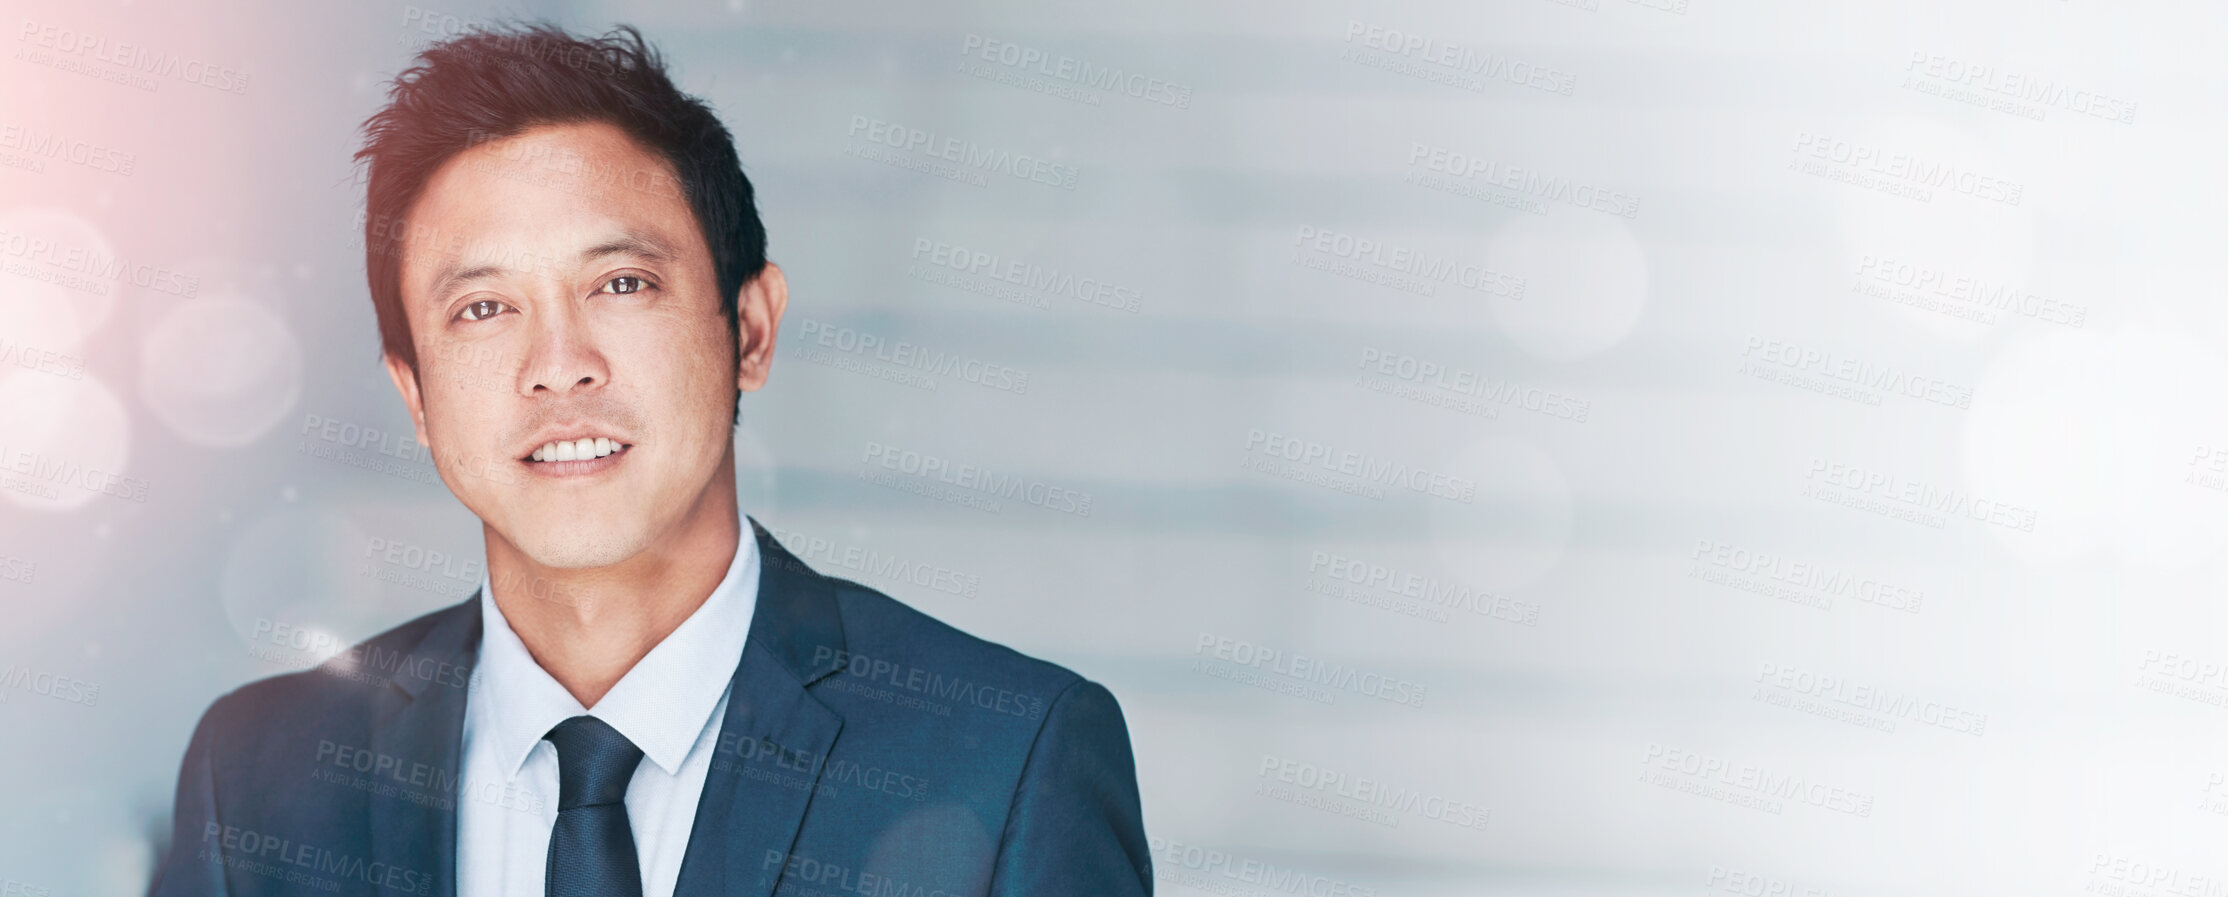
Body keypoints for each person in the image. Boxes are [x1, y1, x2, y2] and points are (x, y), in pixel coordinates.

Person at [149, 23, 1150, 897]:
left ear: (749, 330)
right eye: (483, 308)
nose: (558, 367)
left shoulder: (1007, 757)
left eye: (621, 283)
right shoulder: (257, 776)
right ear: (414, 394)